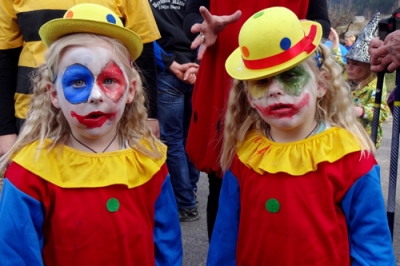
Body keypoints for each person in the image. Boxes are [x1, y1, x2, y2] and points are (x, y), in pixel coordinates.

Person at [207, 7, 395, 265]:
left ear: (321, 83)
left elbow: (373, 248)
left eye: (290, 76)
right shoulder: (246, 156)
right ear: (249, 97)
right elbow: (224, 240)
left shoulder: (350, 158)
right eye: (262, 81)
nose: (275, 91)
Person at [0, 4, 182, 265]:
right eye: (77, 81)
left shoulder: (149, 162)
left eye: (109, 80)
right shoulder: (31, 172)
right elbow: (15, 254)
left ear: (130, 90)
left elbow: (167, 246)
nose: (95, 96)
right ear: (53, 94)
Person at [183, 0, 331, 240]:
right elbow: (193, 12)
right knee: (223, 183)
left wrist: (292, 32)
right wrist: (201, 25)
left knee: (292, 181)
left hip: (285, 73)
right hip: (224, 77)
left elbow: (320, 20)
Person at [0, 0, 161, 158]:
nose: (94, 95)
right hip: (35, 118)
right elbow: (5, 57)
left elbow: (144, 53)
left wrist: (149, 115)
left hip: (111, 121)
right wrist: (4, 130)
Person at [150, 0, 201, 222]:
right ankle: (190, 191)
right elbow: (202, 27)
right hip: (193, 71)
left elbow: (145, 39)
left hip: (168, 73)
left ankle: (186, 202)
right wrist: (196, 67)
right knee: (190, 135)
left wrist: (170, 63)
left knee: (173, 139)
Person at [345, 13, 390, 148]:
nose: (349, 68)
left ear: (369, 67)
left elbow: (383, 111)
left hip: (366, 141)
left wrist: (361, 111)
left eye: (356, 64)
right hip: (348, 138)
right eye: (348, 63)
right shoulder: (350, 81)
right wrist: (335, 43)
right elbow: (334, 67)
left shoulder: (375, 86)